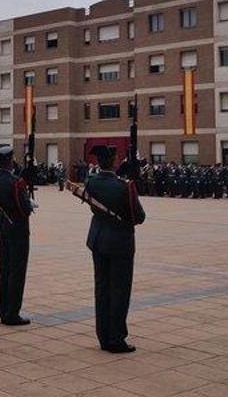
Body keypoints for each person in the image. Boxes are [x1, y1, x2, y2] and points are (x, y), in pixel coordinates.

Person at [84, 145, 146, 353]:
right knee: (119, 290)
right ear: (114, 160)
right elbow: (139, 217)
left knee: (102, 288)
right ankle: (116, 338)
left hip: (98, 240)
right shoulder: (123, 186)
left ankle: (103, 335)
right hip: (119, 242)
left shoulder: (91, 182)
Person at [0, 146, 33, 325]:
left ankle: (3, 310)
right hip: (17, 227)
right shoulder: (15, 181)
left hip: (2, 225)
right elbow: (24, 209)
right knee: (17, 270)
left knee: (4, 268)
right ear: (8, 161)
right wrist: (30, 204)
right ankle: (12, 313)